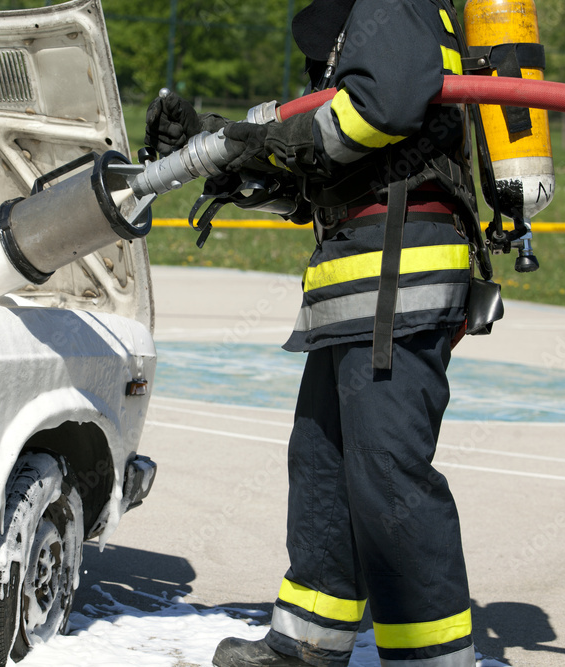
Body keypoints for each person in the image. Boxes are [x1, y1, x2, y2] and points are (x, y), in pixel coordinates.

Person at [146, 1, 480, 666]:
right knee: (322, 465)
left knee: (388, 477)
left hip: (399, 280)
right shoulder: (346, 26)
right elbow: (306, 175)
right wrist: (211, 147)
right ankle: (306, 644)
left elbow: (380, 109)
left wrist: (274, 144)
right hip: (354, 286)